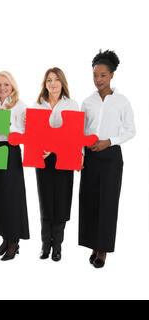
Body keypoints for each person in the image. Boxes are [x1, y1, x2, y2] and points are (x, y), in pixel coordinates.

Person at [79, 50, 135, 268]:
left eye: (102, 75)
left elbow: (131, 130)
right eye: (95, 75)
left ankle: (102, 250)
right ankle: (93, 244)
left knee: (108, 203)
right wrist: (82, 155)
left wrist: (109, 141)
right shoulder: (87, 102)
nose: (98, 80)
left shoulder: (121, 101)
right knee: (90, 201)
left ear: (111, 75)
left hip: (111, 157)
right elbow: (81, 132)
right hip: (90, 157)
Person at [33, 67, 78, 262]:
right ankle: (45, 244)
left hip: (64, 160)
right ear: (45, 84)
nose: (52, 83)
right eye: (49, 80)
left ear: (62, 82)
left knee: (61, 201)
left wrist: (79, 156)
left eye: (56, 79)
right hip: (42, 160)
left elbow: (74, 136)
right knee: (45, 202)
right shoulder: (38, 105)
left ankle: (57, 245)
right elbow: (34, 134)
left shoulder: (71, 105)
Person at [0, 71, 30, 261]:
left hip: (10, 151)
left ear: (12, 85)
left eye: (6, 84)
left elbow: (24, 134)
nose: (2, 88)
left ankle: (14, 242)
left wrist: (6, 123)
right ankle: (5, 239)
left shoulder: (20, 106)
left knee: (11, 196)